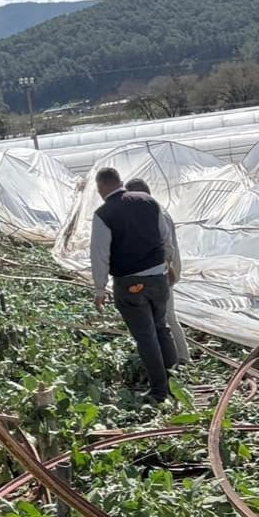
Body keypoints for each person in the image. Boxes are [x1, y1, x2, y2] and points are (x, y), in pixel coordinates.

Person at [90, 167, 179, 403]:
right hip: (158, 277)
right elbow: (165, 237)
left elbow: (99, 254)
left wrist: (100, 288)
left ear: (100, 188)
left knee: (146, 335)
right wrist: (166, 264)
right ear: (120, 182)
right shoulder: (149, 201)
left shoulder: (103, 213)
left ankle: (160, 390)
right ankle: (176, 380)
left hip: (129, 282)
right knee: (161, 327)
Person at [124, 177, 190, 365]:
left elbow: (165, 248)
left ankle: (181, 358)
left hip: (163, 272)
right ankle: (176, 356)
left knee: (166, 316)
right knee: (162, 316)